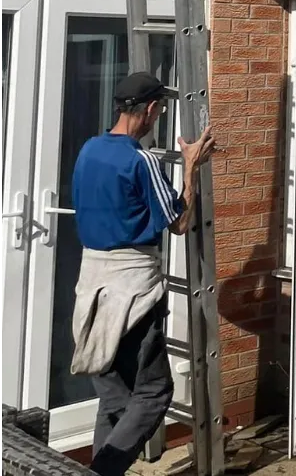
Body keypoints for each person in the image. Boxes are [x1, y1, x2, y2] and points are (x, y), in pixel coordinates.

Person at [70, 71, 216, 476]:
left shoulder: (89, 149)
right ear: (150, 109)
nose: (160, 115)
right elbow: (180, 222)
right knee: (153, 392)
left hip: (91, 287)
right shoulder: (142, 160)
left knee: (115, 395)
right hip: (131, 290)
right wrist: (191, 166)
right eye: (161, 109)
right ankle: (104, 471)